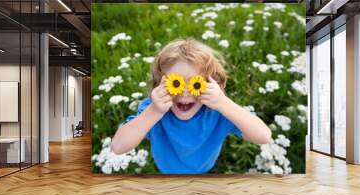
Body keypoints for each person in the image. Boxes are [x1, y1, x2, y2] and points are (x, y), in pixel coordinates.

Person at [111, 38, 271, 174]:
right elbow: (118, 147)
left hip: (204, 167)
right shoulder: (154, 109)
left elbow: (263, 136)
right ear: (158, 85)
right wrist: (154, 111)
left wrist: (223, 103)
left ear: (211, 84)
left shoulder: (218, 112)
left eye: (196, 84)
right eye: (175, 83)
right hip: (166, 169)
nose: (184, 93)